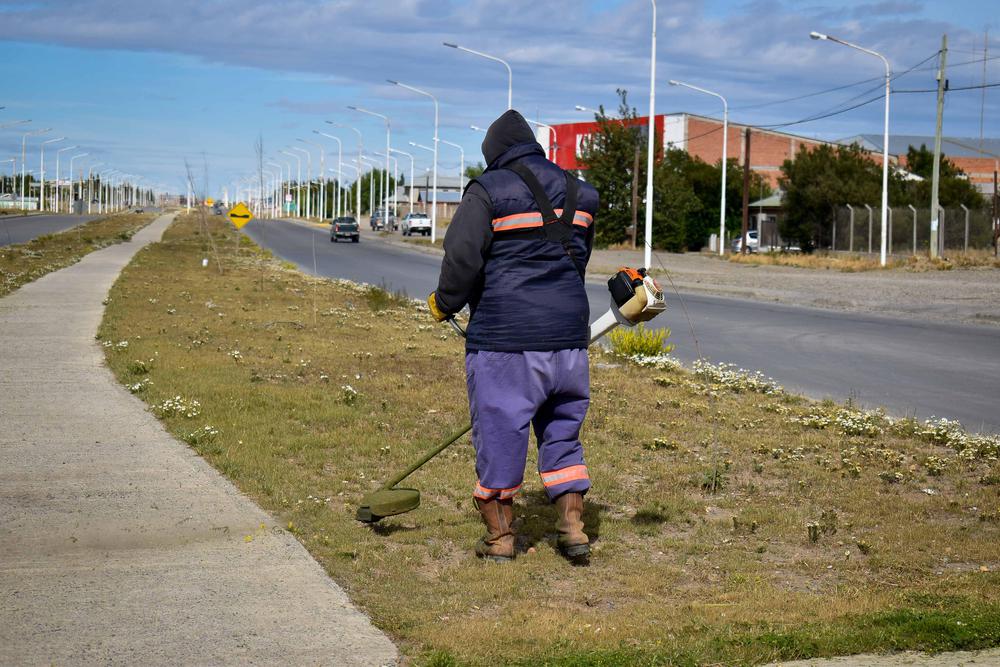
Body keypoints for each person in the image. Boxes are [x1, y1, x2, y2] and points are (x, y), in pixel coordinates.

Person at [427, 109, 598, 563]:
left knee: (501, 433)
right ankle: (573, 530)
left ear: (493, 155)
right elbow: (577, 262)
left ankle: (501, 540)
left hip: (506, 343)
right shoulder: (582, 194)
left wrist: (445, 302)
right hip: (568, 343)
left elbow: (462, 256)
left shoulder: (488, 191)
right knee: (563, 433)